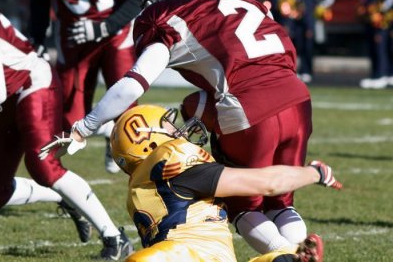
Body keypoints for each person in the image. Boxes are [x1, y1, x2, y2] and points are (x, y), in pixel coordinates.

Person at [57, 0, 314, 255]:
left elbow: (133, 83)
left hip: (249, 109)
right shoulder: (245, 1)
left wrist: (84, 127)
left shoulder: (169, 16)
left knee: (243, 205)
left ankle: (293, 257)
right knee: (281, 200)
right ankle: (301, 247)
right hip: (298, 99)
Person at [109, 104, 342, 262]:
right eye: (168, 126)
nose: (177, 130)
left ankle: (289, 257)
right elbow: (267, 183)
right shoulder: (168, 161)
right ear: (147, 141)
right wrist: (314, 173)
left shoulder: (142, 184)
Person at [0, 6, 133, 261]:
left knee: (43, 163)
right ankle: (64, 195)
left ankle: (115, 237)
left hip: (29, 81)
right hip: (4, 94)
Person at [15, 0, 152, 173]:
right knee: (68, 122)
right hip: (72, 37)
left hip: (116, 35)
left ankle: (140, 170)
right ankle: (107, 129)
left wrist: (105, 27)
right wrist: (36, 38)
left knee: (128, 112)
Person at [296, 0, 335, 84]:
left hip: (311, 20)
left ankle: (308, 71)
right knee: (300, 45)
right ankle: (301, 70)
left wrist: (319, 7)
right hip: (300, 20)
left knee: (309, 46)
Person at [358, 0, 393, 89]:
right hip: (372, 23)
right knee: (374, 49)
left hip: (382, 24)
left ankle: (382, 75)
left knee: (381, 49)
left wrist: (379, 9)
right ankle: (376, 74)